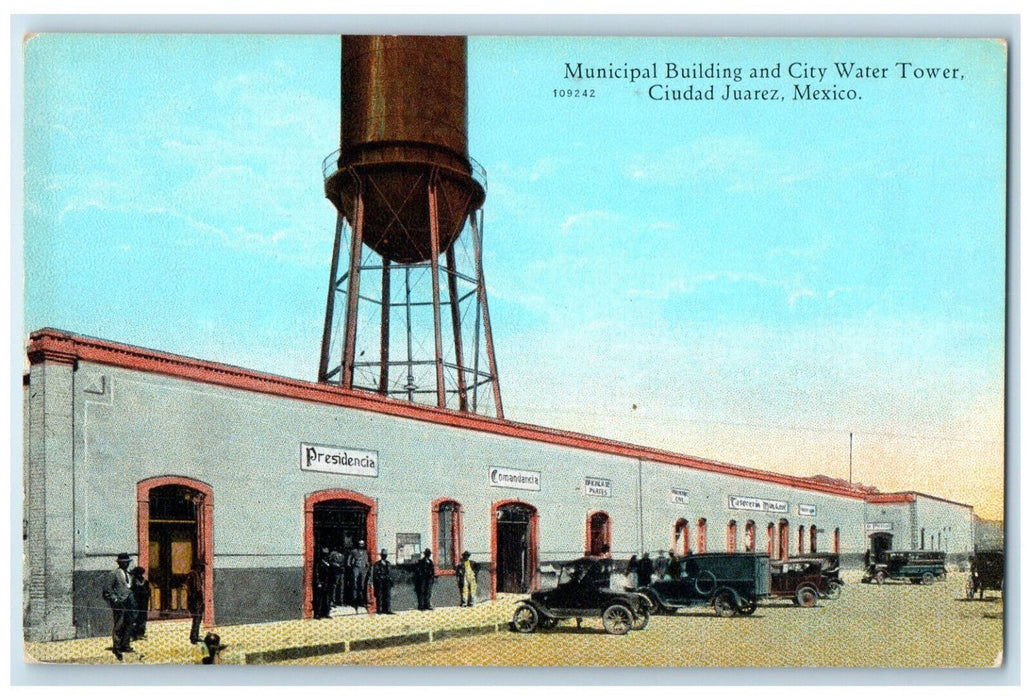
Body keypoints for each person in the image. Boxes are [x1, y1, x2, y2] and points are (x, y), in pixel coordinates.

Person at [101, 552, 136, 660]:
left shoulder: (130, 574)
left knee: (129, 623)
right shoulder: (114, 574)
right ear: (119, 563)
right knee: (119, 624)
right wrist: (115, 599)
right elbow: (107, 590)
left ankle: (125, 644)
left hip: (129, 602)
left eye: (127, 562)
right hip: (119, 603)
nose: (125, 564)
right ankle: (117, 646)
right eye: (123, 563)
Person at [129, 566, 150, 641]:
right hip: (136, 602)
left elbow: (148, 592)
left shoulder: (145, 582)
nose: (140, 575)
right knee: (135, 618)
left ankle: (141, 633)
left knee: (143, 618)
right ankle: (133, 634)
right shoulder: (133, 582)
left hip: (143, 603)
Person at [186, 562, 205, 644]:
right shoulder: (193, 575)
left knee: (198, 618)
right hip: (195, 600)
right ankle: (194, 637)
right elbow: (193, 589)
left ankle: (195, 635)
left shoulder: (196, 575)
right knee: (197, 618)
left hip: (197, 599)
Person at [348, 540, 371, 608]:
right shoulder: (354, 551)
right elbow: (349, 560)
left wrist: (367, 568)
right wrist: (351, 567)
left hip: (362, 570)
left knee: (362, 585)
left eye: (362, 544)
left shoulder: (365, 552)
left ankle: (360, 601)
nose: (361, 545)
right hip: (355, 569)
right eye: (360, 544)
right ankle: (354, 601)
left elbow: (367, 562)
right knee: (354, 585)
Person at [372, 549, 394, 614]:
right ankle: (379, 610)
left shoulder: (388, 563)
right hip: (380, 582)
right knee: (379, 596)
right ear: (381, 555)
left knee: (387, 596)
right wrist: (376, 582)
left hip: (387, 582)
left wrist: (391, 581)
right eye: (383, 555)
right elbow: (375, 574)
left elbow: (390, 573)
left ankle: (387, 609)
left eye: (385, 555)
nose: (384, 556)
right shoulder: (377, 564)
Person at [313, 547, 332, 619]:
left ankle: (326, 613)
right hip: (322, 582)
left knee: (327, 599)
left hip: (328, 583)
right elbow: (317, 573)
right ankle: (318, 614)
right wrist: (318, 582)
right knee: (319, 599)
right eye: (325, 554)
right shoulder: (319, 563)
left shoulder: (329, 563)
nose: (326, 556)